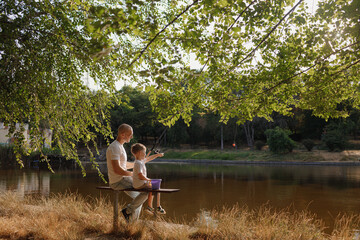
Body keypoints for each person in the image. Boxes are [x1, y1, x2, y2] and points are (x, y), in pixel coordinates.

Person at [106, 123, 148, 223]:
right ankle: (127, 211)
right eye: (130, 134)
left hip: (122, 179)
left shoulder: (120, 146)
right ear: (123, 134)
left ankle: (131, 224)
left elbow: (124, 165)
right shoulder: (115, 147)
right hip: (118, 181)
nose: (132, 136)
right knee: (146, 190)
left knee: (139, 199)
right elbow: (117, 169)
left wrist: (138, 164)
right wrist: (133, 175)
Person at [131, 143, 166, 215]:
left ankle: (151, 207)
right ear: (140, 153)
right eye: (145, 152)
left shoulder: (140, 161)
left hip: (139, 184)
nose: (145, 154)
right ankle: (156, 206)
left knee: (154, 186)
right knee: (156, 187)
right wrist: (148, 180)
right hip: (140, 184)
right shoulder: (138, 163)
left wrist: (157, 155)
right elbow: (140, 176)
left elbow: (149, 158)